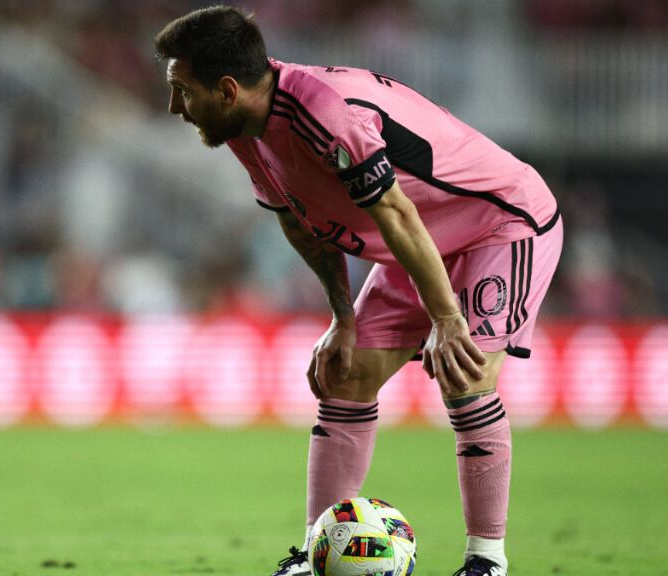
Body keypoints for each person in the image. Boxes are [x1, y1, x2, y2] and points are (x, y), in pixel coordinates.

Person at [154, 6, 562, 576]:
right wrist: (342, 317)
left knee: (466, 373)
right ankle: (314, 552)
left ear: (226, 89)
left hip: (497, 223)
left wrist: (448, 319)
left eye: (181, 90)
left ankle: (486, 561)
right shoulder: (246, 129)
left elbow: (393, 209)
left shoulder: (323, 113)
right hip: (418, 238)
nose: (175, 106)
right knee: (344, 371)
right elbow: (297, 221)